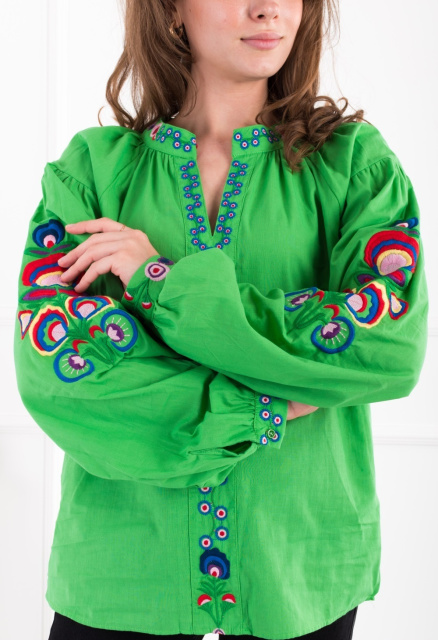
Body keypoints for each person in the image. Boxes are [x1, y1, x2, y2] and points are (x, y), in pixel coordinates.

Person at [13, 0, 428, 639]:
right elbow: (61, 374)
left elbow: (386, 345)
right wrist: (270, 402)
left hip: (298, 562)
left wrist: (159, 280)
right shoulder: (91, 173)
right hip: (124, 563)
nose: (268, 9)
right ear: (173, 11)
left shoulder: (354, 166)